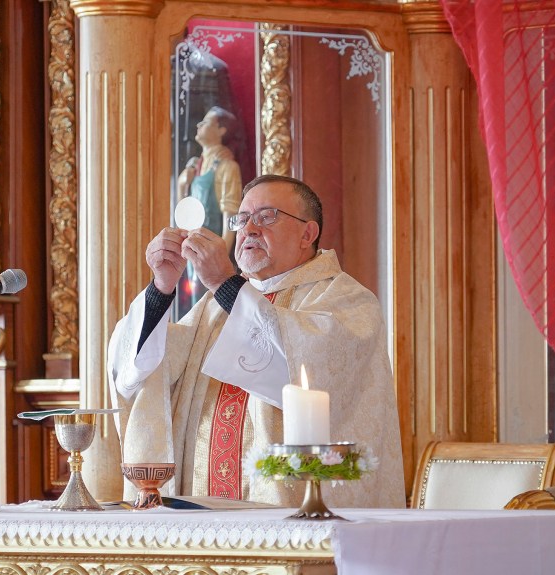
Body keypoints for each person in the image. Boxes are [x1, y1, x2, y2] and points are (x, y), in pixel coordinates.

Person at [108, 174, 404, 508]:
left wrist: (224, 283)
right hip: (199, 512)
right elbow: (142, 370)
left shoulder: (347, 300)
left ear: (308, 233)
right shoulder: (213, 307)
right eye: (242, 219)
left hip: (293, 515)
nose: (248, 229)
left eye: (266, 217)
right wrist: (161, 289)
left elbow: (301, 371)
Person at [177, 106, 242, 311]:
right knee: (195, 304)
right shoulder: (195, 167)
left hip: (211, 250)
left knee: (211, 307)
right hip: (192, 247)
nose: (199, 125)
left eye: (206, 122)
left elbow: (231, 216)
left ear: (221, 130)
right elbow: (184, 211)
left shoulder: (227, 167)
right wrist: (181, 185)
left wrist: (221, 257)